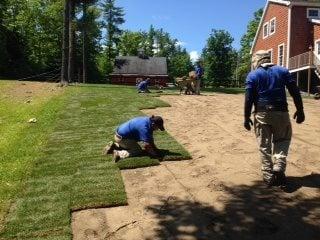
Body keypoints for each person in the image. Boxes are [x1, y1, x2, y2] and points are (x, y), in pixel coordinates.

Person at [244, 50, 305, 187]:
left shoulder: (253, 75)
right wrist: (300, 110)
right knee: (282, 140)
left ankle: (268, 176)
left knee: (264, 145)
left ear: (257, 61)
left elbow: (249, 99)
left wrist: (246, 117)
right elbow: (295, 91)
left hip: (262, 113)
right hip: (281, 112)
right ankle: (279, 165)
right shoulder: (283, 71)